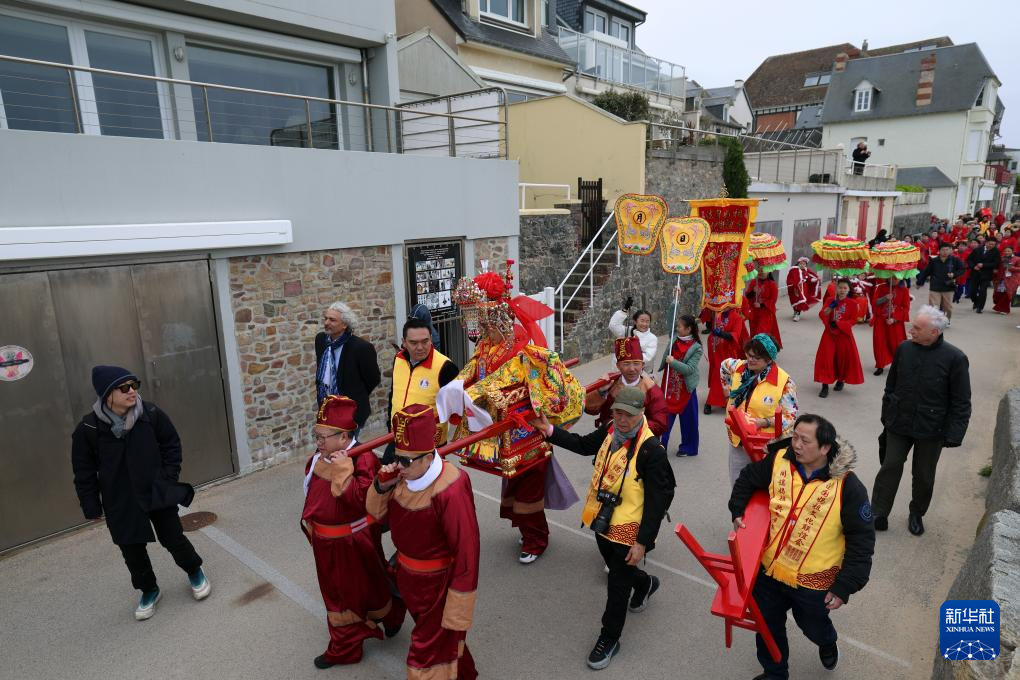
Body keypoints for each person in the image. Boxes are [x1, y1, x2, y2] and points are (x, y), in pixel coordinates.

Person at [531, 387, 676, 671]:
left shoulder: (652, 451)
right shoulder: (610, 429)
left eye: (628, 415)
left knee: (617, 584)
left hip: (630, 527)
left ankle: (609, 638)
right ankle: (645, 584)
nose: (622, 420)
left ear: (642, 413)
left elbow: (660, 500)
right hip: (602, 517)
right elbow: (584, 444)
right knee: (616, 566)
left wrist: (642, 542)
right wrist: (549, 430)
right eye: (618, 413)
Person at [729, 414, 875, 680]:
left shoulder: (848, 487)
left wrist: (844, 586)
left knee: (813, 626)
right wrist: (737, 508)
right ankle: (775, 673)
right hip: (770, 567)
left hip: (813, 579)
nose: (796, 444)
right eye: (794, 437)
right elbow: (748, 478)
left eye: (804, 441)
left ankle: (827, 641)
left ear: (825, 447)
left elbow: (862, 542)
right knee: (767, 625)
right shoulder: (778, 461)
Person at [71, 365, 209, 621]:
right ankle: (149, 590)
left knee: (173, 538)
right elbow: (84, 471)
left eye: (134, 385)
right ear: (107, 394)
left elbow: (171, 444)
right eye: (124, 388)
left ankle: (194, 571)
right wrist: (91, 505)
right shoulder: (88, 429)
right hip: (119, 499)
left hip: (155, 490)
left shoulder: (150, 414)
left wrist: (168, 478)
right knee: (132, 550)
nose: (132, 391)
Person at [367, 404, 480, 680]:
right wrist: (382, 485)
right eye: (397, 457)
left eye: (406, 461)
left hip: (438, 588)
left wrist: (458, 605)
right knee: (444, 644)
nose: (399, 466)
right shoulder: (403, 475)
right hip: (409, 579)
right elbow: (376, 516)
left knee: (425, 656)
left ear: (428, 458)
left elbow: (467, 550)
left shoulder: (451, 487)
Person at [302, 396, 405, 668]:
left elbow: (363, 502)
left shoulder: (363, 459)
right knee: (349, 593)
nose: (318, 442)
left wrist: (342, 470)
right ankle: (388, 616)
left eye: (323, 437)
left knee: (355, 593)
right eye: (316, 435)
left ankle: (347, 647)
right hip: (326, 545)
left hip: (352, 544)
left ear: (344, 436)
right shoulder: (319, 457)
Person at [871, 305, 971, 536]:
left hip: (931, 428)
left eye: (917, 328)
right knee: (890, 466)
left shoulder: (955, 358)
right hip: (899, 422)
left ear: (934, 332)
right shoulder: (904, 349)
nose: (910, 330)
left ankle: (916, 513)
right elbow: (891, 385)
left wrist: (955, 434)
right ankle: (878, 512)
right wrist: (887, 412)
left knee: (924, 475)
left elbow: (961, 401)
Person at [720, 334, 798, 484]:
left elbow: (790, 417)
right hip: (737, 440)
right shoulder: (738, 367)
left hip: (764, 446)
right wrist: (727, 391)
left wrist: (763, 422)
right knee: (737, 485)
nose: (750, 360)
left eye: (756, 358)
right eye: (749, 355)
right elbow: (724, 366)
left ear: (769, 359)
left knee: (761, 486)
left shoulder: (785, 382)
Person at [384, 317, 460, 463]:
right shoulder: (398, 359)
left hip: (427, 448)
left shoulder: (446, 367)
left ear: (431, 338)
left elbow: (457, 408)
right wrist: (390, 426)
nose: (420, 347)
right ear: (404, 342)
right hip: (397, 438)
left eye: (425, 341)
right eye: (413, 343)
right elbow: (393, 394)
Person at [315, 302, 381, 432]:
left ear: (345, 324)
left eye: (332, 320)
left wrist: (355, 395)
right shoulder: (321, 340)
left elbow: (373, 379)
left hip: (351, 412)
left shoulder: (361, 348)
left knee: (348, 444)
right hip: (326, 409)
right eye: (325, 318)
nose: (326, 323)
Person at [587, 336, 669, 436]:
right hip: (607, 436)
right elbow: (589, 409)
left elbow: (660, 424)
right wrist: (600, 392)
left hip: (638, 440)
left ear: (642, 365)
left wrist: (629, 427)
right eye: (626, 364)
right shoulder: (610, 383)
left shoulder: (651, 390)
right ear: (618, 366)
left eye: (636, 363)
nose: (632, 369)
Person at [657, 313, 703, 457]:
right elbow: (670, 318)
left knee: (689, 420)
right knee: (664, 416)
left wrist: (673, 362)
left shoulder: (697, 348)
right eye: (677, 326)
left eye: (680, 327)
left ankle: (688, 447)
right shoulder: (674, 339)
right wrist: (673, 301)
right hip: (669, 386)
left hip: (686, 388)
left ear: (688, 329)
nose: (677, 328)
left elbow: (689, 369)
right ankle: (659, 446)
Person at [814, 279, 864, 398]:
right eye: (840, 287)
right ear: (836, 289)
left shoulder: (853, 303)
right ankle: (825, 385)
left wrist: (840, 324)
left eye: (845, 288)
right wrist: (831, 307)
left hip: (844, 335)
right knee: (826, 358)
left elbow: (853, 320)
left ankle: (841, 380)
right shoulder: (830, 300)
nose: (842, 290)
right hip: (829, 334)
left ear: (849, 290)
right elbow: (823, 314)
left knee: (843, 359)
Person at [702, 307, 748, 414]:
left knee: (721, 375)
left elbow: (735, 335)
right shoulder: (718, 314)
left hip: (728, 351)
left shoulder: (737, 317)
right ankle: (718, 400)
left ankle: (710, 402)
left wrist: (721, 333)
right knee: (715, 372)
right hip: (716, 349)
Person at [869, 278, 910, 376]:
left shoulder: (904, 290)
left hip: (895, 322)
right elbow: (874, 303)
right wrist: (885, 298)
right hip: (881, 320)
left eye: (896, 277)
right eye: (891, 276)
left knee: (896, 343)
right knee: (880, 343)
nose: (894, 279)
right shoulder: (880, 287)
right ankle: (880, 365)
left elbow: (906, 308)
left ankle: (898, 365)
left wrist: (894, 319)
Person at [917, 243, 965, 323]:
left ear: (950, 250)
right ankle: (934, 322)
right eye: (943, 250)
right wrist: (919, 282)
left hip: (948, 287)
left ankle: (946, 320)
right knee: (934, 307)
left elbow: (962, 270)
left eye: (947, 250)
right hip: (935, 286)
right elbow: (926, 272)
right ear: (939, 251)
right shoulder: (934, 261)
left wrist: (954, 274)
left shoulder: (955, 260)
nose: (945, 252)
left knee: (948, 308)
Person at [743, 271, 783, 349]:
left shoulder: (772, 284)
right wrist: (753, 291)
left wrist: (761, 305)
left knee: (761, 332)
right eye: (759, 270)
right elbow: (748, 296)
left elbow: (773, 300)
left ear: (769, 272)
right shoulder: (754, 282)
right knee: (754, 331)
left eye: (763, 271)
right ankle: (755, 349)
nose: (761, 273)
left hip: (766, 313)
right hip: (754, 312)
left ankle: (761, 350)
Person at [967, 237, 1002, 313]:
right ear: (986, 243)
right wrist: (973, 266)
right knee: (972, 292)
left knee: (983, 291)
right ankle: (976, 301)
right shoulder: (977, 249)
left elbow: (996, 263)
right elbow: (969, 259)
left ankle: (980, 307)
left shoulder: (996, 251)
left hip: (986, 274)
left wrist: (984, 265)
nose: (991, 246)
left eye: (993, 244)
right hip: (975, 273)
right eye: (990, 244)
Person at [786, 257, 822, 321]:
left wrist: (815, 279)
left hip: (804, 288)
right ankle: (795, 312)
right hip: (795, 288)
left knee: (801, 301)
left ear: (806, 265)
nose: (802, 265)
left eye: (804, 264)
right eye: (801, 263)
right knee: (795, 301)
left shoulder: (806, 270)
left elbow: (809, 278)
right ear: (798, 263)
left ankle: (797, 314)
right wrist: (793, 284)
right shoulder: (793, 270)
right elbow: (789, 278)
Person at [992, 246, 1020, 314]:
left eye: (1008, 251)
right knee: (999, 294)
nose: (1007, 252)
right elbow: (998, 268)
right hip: (1001, 279)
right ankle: (999, 307)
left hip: (1012, 279)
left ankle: (1005, 309)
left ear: (1012, 251)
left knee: (1007, 294)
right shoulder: (1001, 258)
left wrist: (1010, 268)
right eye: (1005, 251)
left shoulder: (1017, 258)